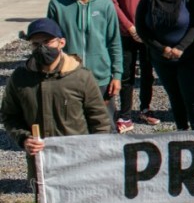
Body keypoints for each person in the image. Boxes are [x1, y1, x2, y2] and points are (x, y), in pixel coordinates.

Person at [1, 18, 112, 178]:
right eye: (36, 44)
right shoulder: (20, 78)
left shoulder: (81, 77)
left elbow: (100, 120)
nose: (42, 48)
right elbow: (9, 116)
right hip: (40, 162)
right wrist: (24, 139)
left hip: (77, 162)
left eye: (47, 42)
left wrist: (96, 155)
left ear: (61, 43)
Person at [47, 0, 123, 121]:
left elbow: (114, 42)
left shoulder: (106, 5)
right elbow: (50, 43)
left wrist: (116, 75)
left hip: (100, 76)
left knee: (104, 123)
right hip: (67, 75)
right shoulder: (57, 4)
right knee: (71, 123)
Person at [135, 0, 194, 131]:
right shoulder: (148, 0)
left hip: (188, 56)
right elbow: (142, 30)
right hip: (162, 58)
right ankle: (181, 131)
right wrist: (162, 49)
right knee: (174, 96)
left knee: (192, 97)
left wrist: (180, 48)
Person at [105, 0, 158, 133]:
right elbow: (112, 2)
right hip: (125, 33)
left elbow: (156, 1)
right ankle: (125, 113)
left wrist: (144, 29)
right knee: (126, 74)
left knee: (147, 71)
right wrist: (129, 27)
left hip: (146, 32)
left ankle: (145, 107)